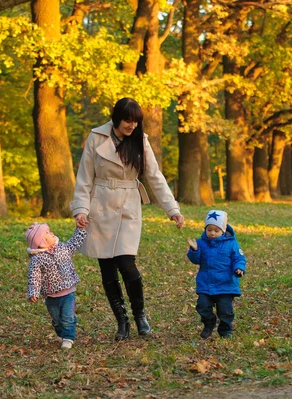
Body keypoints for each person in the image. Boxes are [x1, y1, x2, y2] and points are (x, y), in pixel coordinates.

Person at [71, 97, 184, 341]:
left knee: (127, 264)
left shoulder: (140, 141)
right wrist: (81, 209)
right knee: (107, 269)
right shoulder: (96, 138)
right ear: (116, 117)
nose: (131, 126)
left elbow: (155, 177)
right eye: (127, 120)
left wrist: (172, 209)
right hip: (99, 205)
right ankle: (122, 321)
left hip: (128, 207)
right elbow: (84, 177)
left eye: (135, 121)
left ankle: (139, 314)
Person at [26, 222, 87, 350]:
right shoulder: (37, 259)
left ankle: (69, 337)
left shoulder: (62, 248)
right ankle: (60, 332)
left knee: (68, 317)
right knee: (56, 319)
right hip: (51, 295)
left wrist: (80, 230)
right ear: (42, 242)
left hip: (67, 291)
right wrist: (33, 292)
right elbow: (34, 277)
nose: (52, 233)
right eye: (47, 233)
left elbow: (74, 243)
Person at [186, 210, 246, 339]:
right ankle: (209, 323)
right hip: (206, 283)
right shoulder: (201, 243)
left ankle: (225, 331)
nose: (212, 233)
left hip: (225, 284)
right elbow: (195, 260)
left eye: (216, 230)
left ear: (223, 230)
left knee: (225, 310)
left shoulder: (231, 244)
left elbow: (239, 258)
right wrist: (194, 250)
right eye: (209, 230)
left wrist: (239, 268)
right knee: (202, 306)